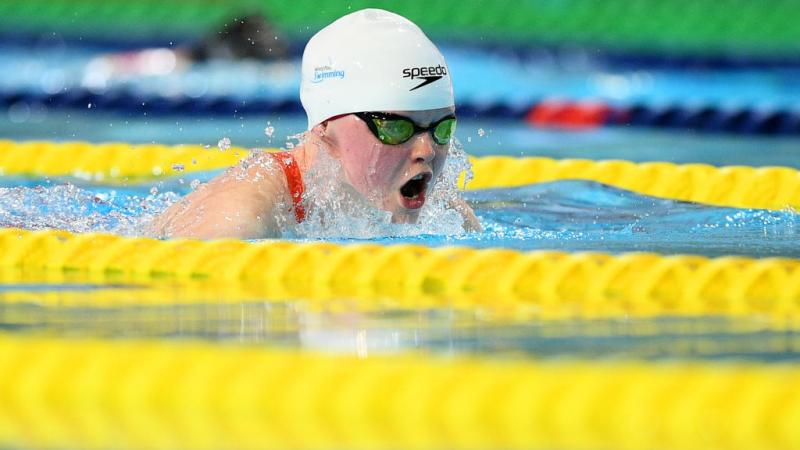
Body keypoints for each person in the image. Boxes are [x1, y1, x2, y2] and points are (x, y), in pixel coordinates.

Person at [148, 8, 480, 239]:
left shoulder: (444, 213)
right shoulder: (241, 217)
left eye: (442, 128)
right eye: (395, 127)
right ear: (324, 125)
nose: (427, 151)